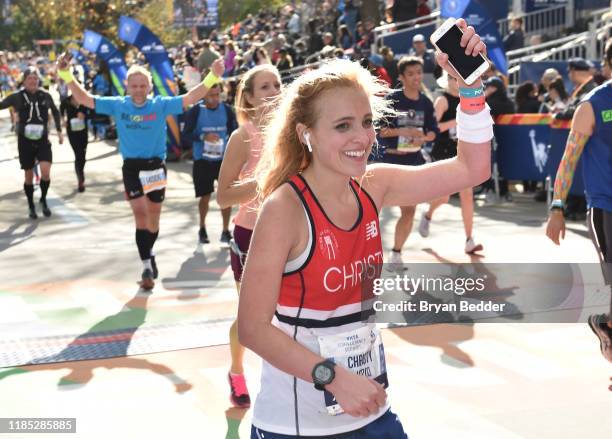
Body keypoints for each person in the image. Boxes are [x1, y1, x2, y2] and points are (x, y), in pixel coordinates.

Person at [238, 19, 491, 438]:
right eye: (342, 126)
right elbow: (252, 328)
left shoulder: (374, 185)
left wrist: (471, 88)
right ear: (307, 135)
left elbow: (473, 168)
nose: (361, 137)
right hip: (297, 425)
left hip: (371, 410)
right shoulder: (285, 208)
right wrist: (333, 377)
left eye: (366, 122)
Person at [56, 53, 225, 290]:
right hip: (132, 168)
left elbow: (190, 97)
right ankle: (146, 264)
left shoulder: (159, 104)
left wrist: (212, 76)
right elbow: (84, 98)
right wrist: (66, 74)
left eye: (142, 85)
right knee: (140, 214)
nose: (138, 90)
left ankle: (150, 251)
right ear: (127, 86)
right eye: (134, 86)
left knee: (153, 217)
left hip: (155, 166)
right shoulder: (119, 105)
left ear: (149, 86)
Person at [216, 64, 282, 408]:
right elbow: (223, 196)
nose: (273, 92)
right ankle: (237, 372)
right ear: (250, 98)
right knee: (250, 317)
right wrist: (262, 183)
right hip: (249, 237)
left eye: (277, 85)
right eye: (264, 87)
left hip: (289, 237)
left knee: (288, 315)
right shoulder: (242, 136)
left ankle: (285, 381)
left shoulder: (295, 133)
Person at [546, 37, 612, 369]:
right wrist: (557, 207)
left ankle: (605, 324)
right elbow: (568, 160)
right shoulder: (592, 105)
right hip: (606, 208)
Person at [378, 56, 439, 267]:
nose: (416, 78)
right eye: (410, 74)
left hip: (413, 161)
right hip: (390, 161)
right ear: (401, 77)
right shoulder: (392, 99)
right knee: (373, 212)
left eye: (419, 73)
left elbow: (433, 132)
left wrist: (423, 136)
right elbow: (380, 130)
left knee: (409, 210)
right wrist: (403, 130)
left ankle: (396, 253)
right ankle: (363, 256)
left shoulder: (425, 102)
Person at [419, 72, 483, 254]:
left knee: (467, 196)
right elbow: (433, 128)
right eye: (451, 78)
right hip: (444, 152)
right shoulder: (442, 101)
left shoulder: (468, 98)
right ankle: (428, 214)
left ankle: (469, 239)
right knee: (443, 197)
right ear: (446, 81)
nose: (455, 82)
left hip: (463, 151)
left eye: (457, 78)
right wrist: (455, 121)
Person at [0, 66, 63, 219]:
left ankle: (43, 199)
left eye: (35, 78)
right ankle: (31, 205)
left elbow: (55, 111)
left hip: (42, 139)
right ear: (24, 81)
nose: (33, 81)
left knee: (45, 171)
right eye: (30, 78)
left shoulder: (45, 95)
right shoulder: (16, 97)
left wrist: (60, 130)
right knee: (28, 175)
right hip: (25, 141)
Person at [183, 83, 237, 245]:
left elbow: (235, 131)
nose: (214, 99)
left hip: (223, 161)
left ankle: (226, 230)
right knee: (204, 197)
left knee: (226, 198)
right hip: (202, 161)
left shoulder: (227, 110)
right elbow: (185, 135)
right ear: (203, 95)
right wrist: (202, 137)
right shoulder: (196, 111)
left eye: (217, 95)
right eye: (210, 95)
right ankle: (202, 228)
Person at [60, 93, 89, 192]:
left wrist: (84, 114)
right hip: (72, 132)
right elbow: (61, 111)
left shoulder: (85, 99)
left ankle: (80, 173)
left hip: (83, 131)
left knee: (83, 156)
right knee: (78, 154)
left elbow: (91, 111)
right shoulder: (66, 101)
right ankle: (81, 179)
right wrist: (63, 120)